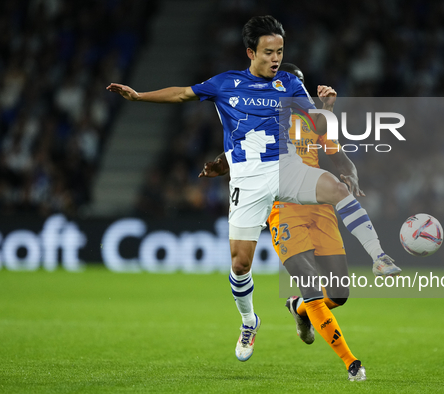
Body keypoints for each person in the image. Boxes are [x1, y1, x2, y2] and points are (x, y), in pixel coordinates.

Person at [107, 15, 400, 381]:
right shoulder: (225, 83)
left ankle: (379, 256)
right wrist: (138, 95)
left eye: (280, 51)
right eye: (268, 52)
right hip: (247, 179)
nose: (276, 58)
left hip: (285, 166)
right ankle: (249, 321)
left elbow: (318, 127)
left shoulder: (289, 83)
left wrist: (325, 109)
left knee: (336, 190)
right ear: (251, 52)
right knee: (241, 263)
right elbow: (183, 93)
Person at [199, 63, 372, 380]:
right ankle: (351, 362)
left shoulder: (314, 123)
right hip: (284, 209)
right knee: (310, 285)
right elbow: (240, 150)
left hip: (319, 209)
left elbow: (340, 156)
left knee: (339, 294)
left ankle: (300, 309)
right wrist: (220, 164)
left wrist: (351, 174)